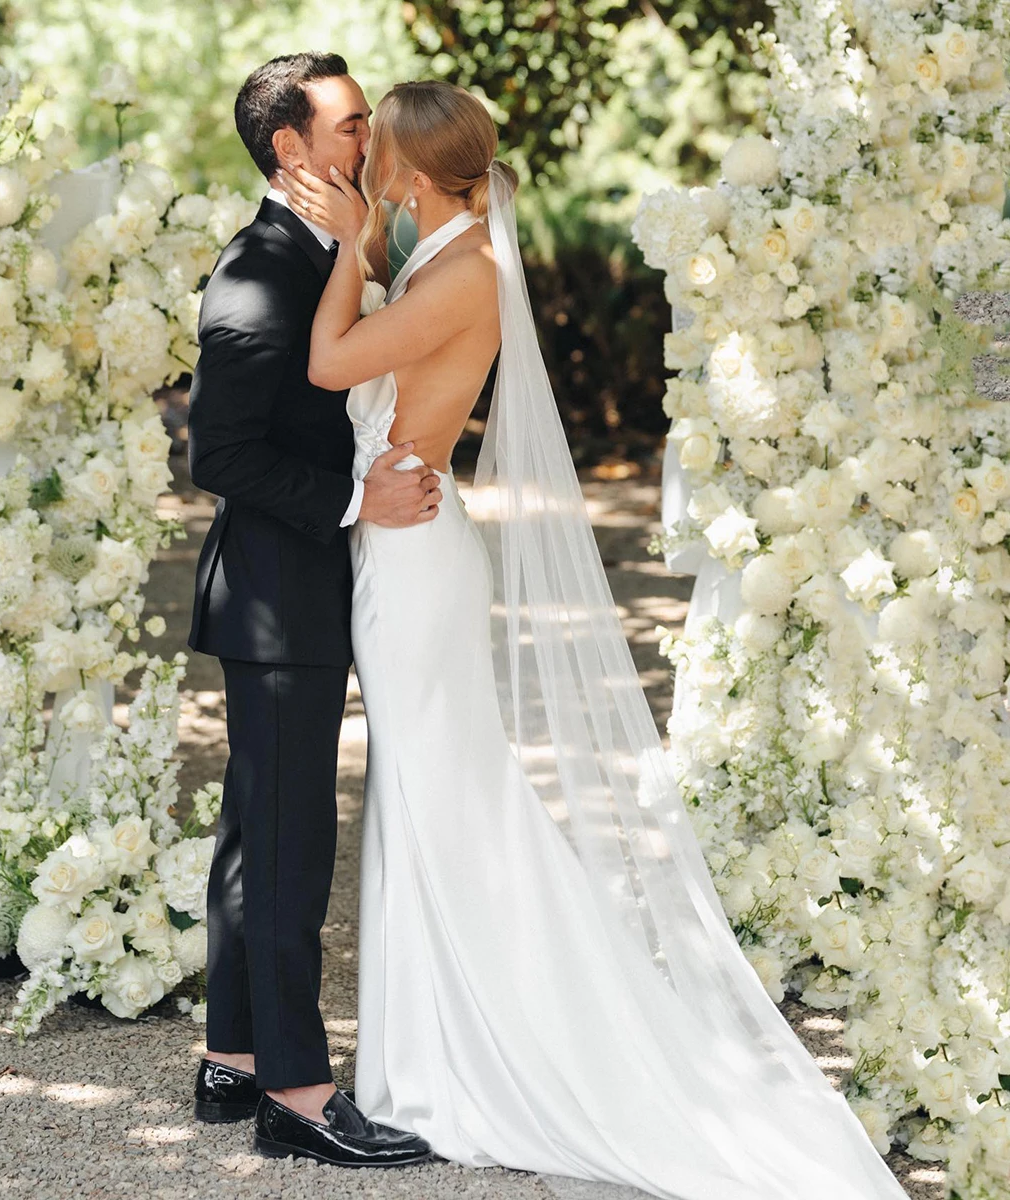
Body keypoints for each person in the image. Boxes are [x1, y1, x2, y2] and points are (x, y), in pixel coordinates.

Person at [271, 79, 910, 1196]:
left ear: (412, 179)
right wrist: (369, 254)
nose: (362, 166)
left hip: (415, 554)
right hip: (404, 535)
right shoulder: (444, 255)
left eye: (378, 159)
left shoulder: (464, 271)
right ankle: (425, 1050)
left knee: (439, 797)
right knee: (423, 799)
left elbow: (333, 367)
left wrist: (346, 249)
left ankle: (470, 1059)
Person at [184, 53, 438, 1168]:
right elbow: (218, 452)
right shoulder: (258, 270)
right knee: (290, 845)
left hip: (293, 595)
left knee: (257, 832)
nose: (363, 141)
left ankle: (234, 1058)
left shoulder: (323, 251)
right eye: (345, 126)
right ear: (290, 148)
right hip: (280, 602)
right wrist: (353, 497)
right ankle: (297, 1090)